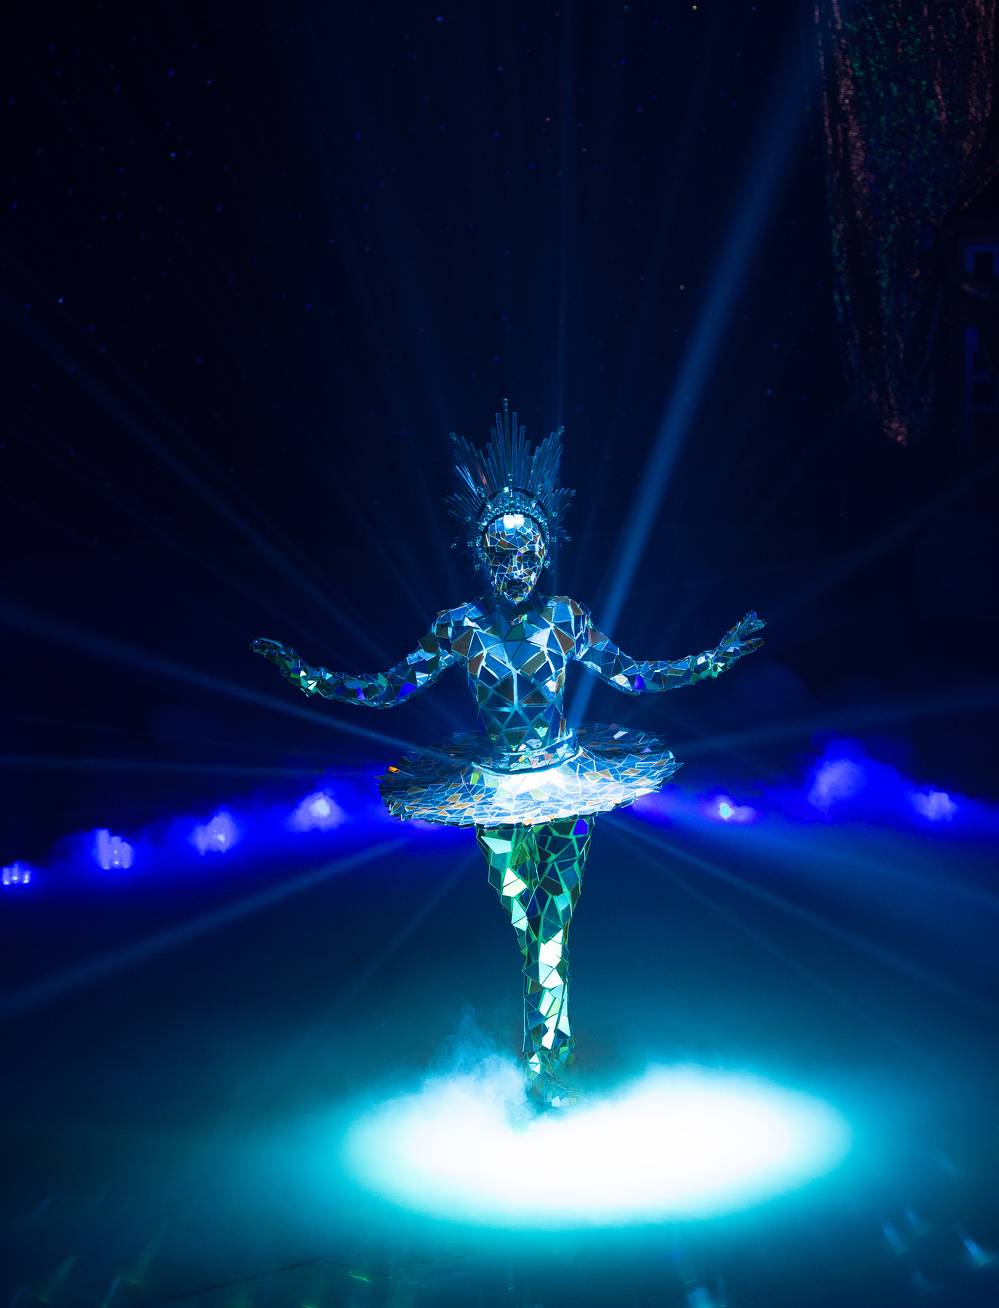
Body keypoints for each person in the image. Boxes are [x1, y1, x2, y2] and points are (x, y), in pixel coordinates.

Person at [252, 404, 764, 1106]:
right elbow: (390, 688)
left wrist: (713, 660)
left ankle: (544, 1069)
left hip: (568, 785)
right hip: (490, 790)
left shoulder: (565, 618)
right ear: (480, 556)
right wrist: (307, 678)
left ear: (546, 554)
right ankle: (548, 1045)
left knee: (550, 933)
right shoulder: (459, 628)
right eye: (502, 556)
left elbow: (633, 676)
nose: (516, 569)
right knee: (525, 924)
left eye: (528, 556)